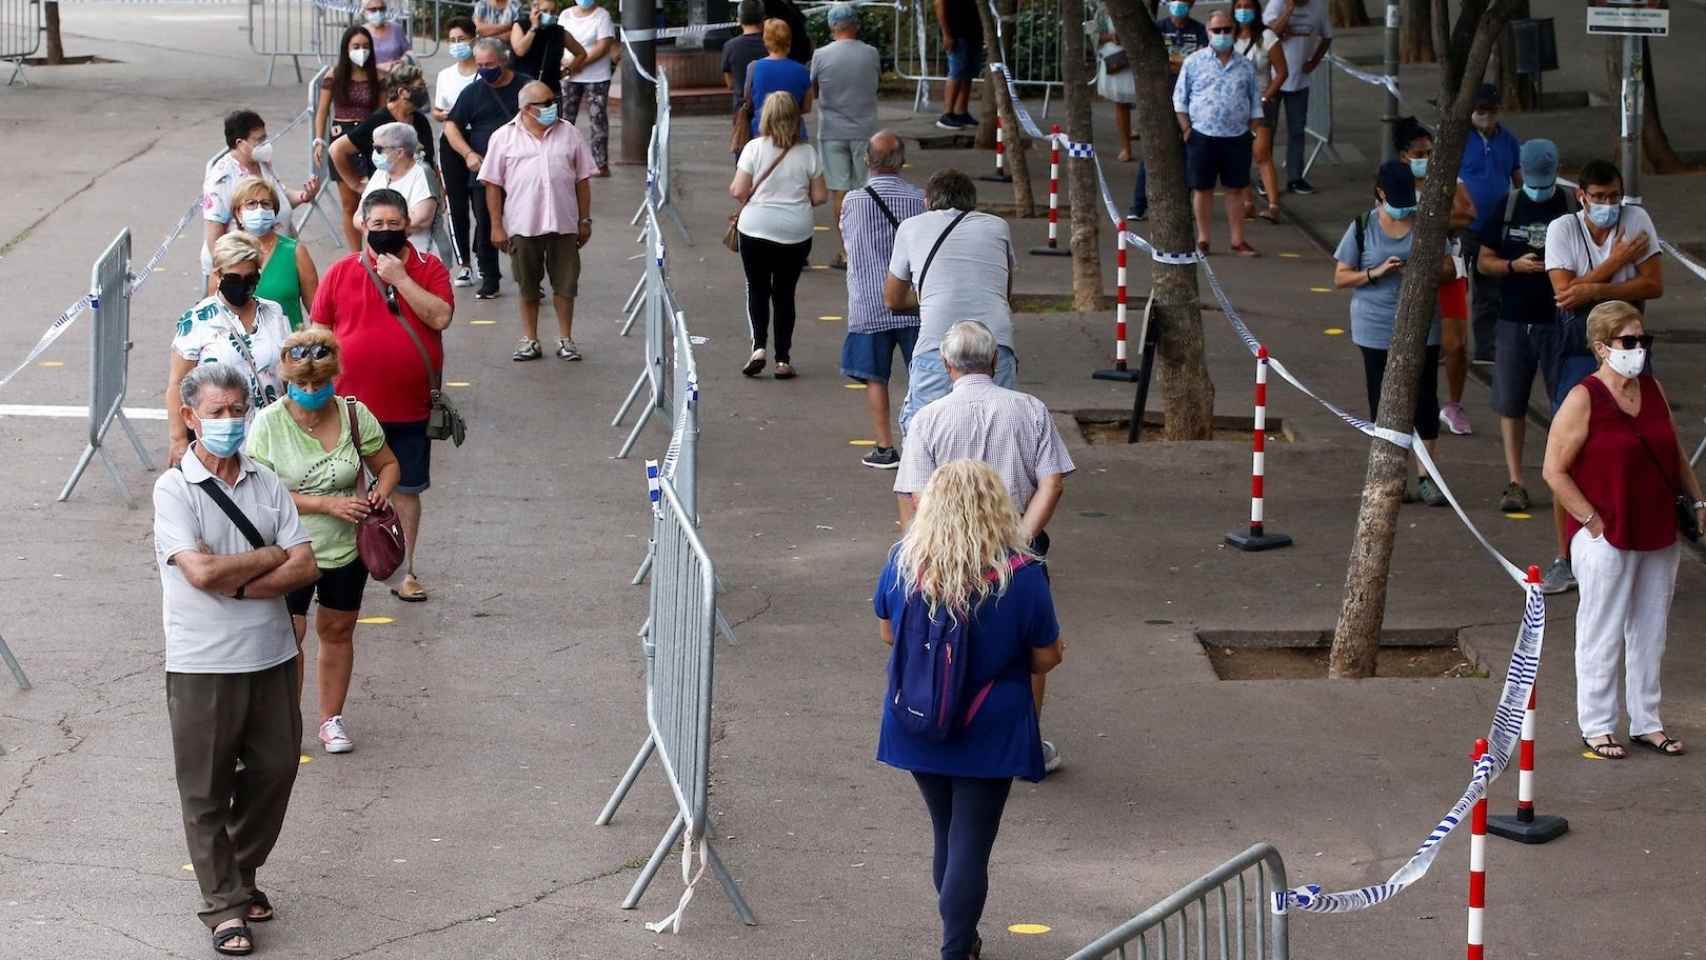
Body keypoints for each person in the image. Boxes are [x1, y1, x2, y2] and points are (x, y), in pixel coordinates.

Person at [152, 361, 319, 957]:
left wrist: (242, 580)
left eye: (236, 410)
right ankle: (225, 904)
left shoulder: (266, 482)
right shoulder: (175, 489)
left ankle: (239, 872)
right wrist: (269, 557)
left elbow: (306, 564)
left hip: (271, 654)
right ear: (191, 418)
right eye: (215, 412)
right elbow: (197, 573)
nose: (228, 422)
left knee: (276, 769)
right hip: (203, 662)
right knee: (205, 789)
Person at [873, 458, 1063, 960]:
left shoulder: (903, 563)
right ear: (997, 508)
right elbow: (1047, 656)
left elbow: (888, 633)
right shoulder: (1021, 576)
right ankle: (956, 947)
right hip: (990, 724)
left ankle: (962, 937)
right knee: (971, 842)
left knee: (946, 831)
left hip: (916, 717)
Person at [893, 320, 1075, 772]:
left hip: (945, 552)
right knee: (1028, 645)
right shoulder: (1030, 409)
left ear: (946, 364)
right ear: (995, 360)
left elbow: (914, 493)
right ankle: (1024, 741)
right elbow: (1052, 482)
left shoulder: (927, 419)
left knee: (945, 636)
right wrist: (1020, 541)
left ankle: (942, 716)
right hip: (1018, 551)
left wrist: (924, 546)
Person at [1542, 300, 1694, 759]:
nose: (1639, 349)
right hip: (1606, 532)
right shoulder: (1583, 397)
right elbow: (1554, 470)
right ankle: (1598, 724)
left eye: (1643, 340)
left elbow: (1674, 451)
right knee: (1601, 628)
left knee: (1651, 628)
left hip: (1658, 527)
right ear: (1602, 346)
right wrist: (1589, 520)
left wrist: (1698, 500)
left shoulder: (1652, 389)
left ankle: (1647, 720)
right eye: (1629, 341)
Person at [245, 328, 401, 755]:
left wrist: (380, 491)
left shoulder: (353, 414)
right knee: (287, 636)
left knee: (338, 629)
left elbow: (387, 464)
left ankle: (331, 719)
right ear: (286, 380)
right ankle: (284, 723)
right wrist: (326, 506)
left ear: (335, 377)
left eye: (320, 383)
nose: (310, 392)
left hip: (347, 549)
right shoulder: (269, 424)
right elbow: (261, 494)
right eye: (302, 384)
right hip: (290, 550)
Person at [311, 188, 454, 604]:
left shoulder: (429, 268)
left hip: (409, 407)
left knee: (405, 489)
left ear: (408, 225)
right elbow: (319, 331)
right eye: (378, 226)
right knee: (347, 487)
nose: (386, 232)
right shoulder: (340, 272)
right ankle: (344, 567)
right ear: (363, 226)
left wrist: (401, 279)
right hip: (350, 408)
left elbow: (440, 316)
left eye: (394, 225)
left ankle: (405, 570)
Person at [1538, 158, 1665, 594]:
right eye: (1599, 198)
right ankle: (1565, 554)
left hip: (1628, 342)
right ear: (1582, 196)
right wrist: (1618, 262)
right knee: (1568, 447)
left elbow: (1653, 285)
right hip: (1576, 345)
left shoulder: (1637, 219)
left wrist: (1596, 288)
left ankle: (1638, 534)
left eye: (1614, 197)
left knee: (1640, 436)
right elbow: (1565, 296)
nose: (1609, 206)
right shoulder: (1563, 230)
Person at [1332, 161, 1456, 505]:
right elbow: (1341, 277)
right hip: (1373, 326)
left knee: (1425, 398)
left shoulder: (1427, 224)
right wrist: (1376, 272)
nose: (1404, 207)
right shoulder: (1363, 226)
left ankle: (1426, 476)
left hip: (1421, 325)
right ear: (1380, 193)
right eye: (1396, 199)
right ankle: (1391, 475)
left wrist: (1426, 267)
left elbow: (1449, 268)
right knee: (1382, 399)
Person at [1476, 139, 1574, 515]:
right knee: (1510, 403)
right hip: (1514, 320)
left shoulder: (1569, 205)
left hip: (1559, 320)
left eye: (1545, 179)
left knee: (1564, 404)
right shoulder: (1509, 204)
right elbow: (1484, 260)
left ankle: (1562, 475)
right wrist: (1513, 267)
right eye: (1534, 179)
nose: (1539, 187)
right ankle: (1516, 480)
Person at [884, 169, 1017, 434]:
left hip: (937, 344)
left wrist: (930, 297)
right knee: (997, 435)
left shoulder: (911, 227)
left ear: (928, 201)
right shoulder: (997, 226)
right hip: (995, 344)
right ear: (973, 201)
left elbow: (893, 299)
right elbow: (1005, 291)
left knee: (926, 435)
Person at [481, 80, 598, 363]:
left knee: (566, 285)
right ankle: (530, 339)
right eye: (545, 104)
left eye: (552, 100)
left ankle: (565, 339)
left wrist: (585, 220)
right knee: (527, 286)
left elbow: (583, 179)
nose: (552, 107)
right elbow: (492, 184)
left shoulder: (568, 132)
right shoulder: (503, 137)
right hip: (523, 223)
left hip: (564, 222)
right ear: (526, 109)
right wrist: (497, 225)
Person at [169, 232, 293, 468]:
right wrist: (177, 440)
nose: (243, 285)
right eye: (234, 278)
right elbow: (176, 384)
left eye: (251, 278)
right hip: (221, 438)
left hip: (275, 436)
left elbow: (290, 374)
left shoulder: (274, 313)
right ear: (218, 274)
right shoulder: (196, 321)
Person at [841, 131, 925, 468]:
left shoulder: (853, 200)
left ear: (867, 160)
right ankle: (924, 443)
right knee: (921, 374)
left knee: (875, 378)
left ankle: (885, 446)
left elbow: (848, 243)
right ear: (901, 160)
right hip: (913, 302)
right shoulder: (920, 199)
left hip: (869, 302)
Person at [730, 91, 827, 379]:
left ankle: (758, 347)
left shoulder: (753, 148)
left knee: (757, 288)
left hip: (756, 228)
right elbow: (820, 196)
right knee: (785, 293)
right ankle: (782, 359)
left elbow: (738, 190)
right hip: (796, 231)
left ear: (766, 117)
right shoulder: (808, 153)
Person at [1394, 117, 1476, 437]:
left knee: (1456, 344)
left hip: (1449, 265)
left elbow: (1467, 213)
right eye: (1418, 154)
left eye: (1429, 152)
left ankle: (1454, 405)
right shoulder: (1395, 181)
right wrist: (1442, 218)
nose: (1425, 160)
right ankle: (1409, 401)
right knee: (1415, 340)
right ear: (1403, 155)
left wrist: (1425, 219)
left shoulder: (1446, 176)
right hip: (1409, 268)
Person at [444, 37, 532, 300]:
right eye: (480, 65)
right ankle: (490, 278)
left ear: (503, 60)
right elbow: (451, 126)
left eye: (490, 64)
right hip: (484, 168)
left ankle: (529, 279)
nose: (485, 70)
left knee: (525, 226)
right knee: (486, 224)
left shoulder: (526, 86)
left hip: (522, 167)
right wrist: (468, 153)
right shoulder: (472, 92)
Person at [1174, 11, 1264, 257]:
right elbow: (1179, 99)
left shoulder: (1245, 66)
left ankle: (1238, 240)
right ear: (1208, 31)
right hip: (1202, 135)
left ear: (1234, 31)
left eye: (1227, 30)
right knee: (1202, 189)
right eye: (1217, 30)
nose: (1222, 35)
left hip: (1237, 136)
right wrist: (1187, 129)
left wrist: (1252, 132)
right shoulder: (1194, 62)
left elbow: (1255, 101)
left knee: (1235, 188)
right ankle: (1203, 240)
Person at [203, 110, 317, 277]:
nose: (265, 144)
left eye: (265, 138)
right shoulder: (222, 178)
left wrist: (304, 196)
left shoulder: (261, 163)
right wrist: (226, 275)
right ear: (240, 143)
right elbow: (214, 234)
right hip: (246, 266)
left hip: (280, 255)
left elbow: (280, 198)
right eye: (259, 140)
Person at [811, 3, 881, 270]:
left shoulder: (820, 55)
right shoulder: (871, 53)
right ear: (856, 25)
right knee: (866, 190)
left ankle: (847, 251)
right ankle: (866, 248)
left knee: (840, 191)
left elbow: (814, 88)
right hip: (864, 129)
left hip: (831, 129)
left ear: (831, 27)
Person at [1458, 83, 1522, 366]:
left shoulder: (1508, 141)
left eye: (1490, 111)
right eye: (1479, 110)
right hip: (1462, 226)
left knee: (1490, 291)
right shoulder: (1459, 140)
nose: (1485, 115)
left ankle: (1486, 348)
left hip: (1495, 228)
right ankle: (1451, 345)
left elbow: (1518, 178)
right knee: (1456, 288)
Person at [1130, 0, 1208, 220]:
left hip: (1190, 102)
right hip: (1161, 98)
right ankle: (1138, 205)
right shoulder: (1159, 28)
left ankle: (1184, 203)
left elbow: (1199, 65)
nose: (1179, 4)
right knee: (1153, 151)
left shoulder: (1199, 31)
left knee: (1188, 153)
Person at [330, 60, 438, 211]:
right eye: (419, 87)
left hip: (417, 196)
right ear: (402, 92)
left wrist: (438, 189)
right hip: (386, 200)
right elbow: (337, 150)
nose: (424, 91)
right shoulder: (378, 121)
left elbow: (430, 161)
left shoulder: (420, 121)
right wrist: (355, 185)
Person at [315, 26, 383, 252]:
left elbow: (383, 113)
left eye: (365, 46)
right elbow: (322, 111)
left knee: (373, 199)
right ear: (346, 49)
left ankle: (375, 249)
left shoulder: (379, 77)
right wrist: (318, 141)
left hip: (368, 138)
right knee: (349, 203)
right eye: (356, 46)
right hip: (340, 142)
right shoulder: (334, 76)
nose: (361, 51)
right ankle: (356, 255)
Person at [228, 177, 319, 333]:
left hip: (289, 352)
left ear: (274, 211)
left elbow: (318, 313)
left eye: (265, 204)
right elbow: (216, 313)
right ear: (238, 213)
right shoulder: (227, 254)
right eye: (251, 204)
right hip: (242, 352)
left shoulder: (295, 252)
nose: (259, 209)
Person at [1261, 0, 1330, 195]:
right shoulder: (1277, 4)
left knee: (1297, 130)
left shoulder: (1319, 6)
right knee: (1268, 130)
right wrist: (1289, 9)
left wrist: (1315, 61)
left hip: (1300, 80)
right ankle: (1264, 178)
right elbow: (1270, 34)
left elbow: (1327, 36)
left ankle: (1295, 178)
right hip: (1272, 80)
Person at [433, 16, 482, 287]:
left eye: (461, 39)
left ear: (473, 39)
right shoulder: (445, 75)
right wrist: (445, 115)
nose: (457, 45)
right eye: (452, 40)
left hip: (479, 139)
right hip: (451, 141)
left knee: (482, 203)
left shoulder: (483, 71)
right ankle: (464, 263)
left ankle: (482, 256)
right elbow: (438, 109)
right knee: (456, 205)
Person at [1233, 0, 1286, 223]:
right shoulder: (1229, 37)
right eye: (1239, 6)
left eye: (1248, 6)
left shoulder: (1268, 37)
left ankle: (1273, 205)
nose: (1243, 11)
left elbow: (1282, 72)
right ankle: (1247, 203)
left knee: (1261, 152)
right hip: (1235, 104)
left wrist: (1266, 97)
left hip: (1262, 102)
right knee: (1239, 154)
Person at [360, 122, 439, 254]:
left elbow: (421, 219)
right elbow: (358, 216)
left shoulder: (422, 173)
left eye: (379, 149)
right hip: (380, 254)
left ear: (399, 152)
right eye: (373, 148)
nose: (374, 153)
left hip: (421, 255)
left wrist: (374, 222)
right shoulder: (380, 173)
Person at [561, 0, 618, 176]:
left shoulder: (603, 16)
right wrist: (567, 66)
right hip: (568, 75)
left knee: (597, 119)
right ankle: (562, 160)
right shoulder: (565, 15)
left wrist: (577, 64)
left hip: (596, 76)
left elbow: (603, 47)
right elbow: (559, 40)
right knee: (564, 120)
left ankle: (600, 164)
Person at [746, 19, 812, 140]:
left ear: (766, 40)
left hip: (762, 133)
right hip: (794, 133)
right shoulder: (802, 71)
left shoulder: (753, 68)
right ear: (789, 40)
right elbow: (807, 107)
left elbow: (749, 100)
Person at [511, 0, 585, 94]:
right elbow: (520, 51)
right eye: (545, 11)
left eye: (553, 12)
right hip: (522, 88)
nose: (549, 15)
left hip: (550, 89)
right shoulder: (521, 26)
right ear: (535, 10)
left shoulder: (559, 32)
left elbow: (581, 53)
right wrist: (534, 27)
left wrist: (566, 71)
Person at [1094, 11, 1137, 161]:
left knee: (1149, 102)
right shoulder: (1102, 10)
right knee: (1121, 103)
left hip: (1140, 55)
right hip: (1117, 60)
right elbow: (1095, 34)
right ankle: (1126, 147)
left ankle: (1140, 132)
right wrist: (1111, 36)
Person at [933, 0, 982, 129]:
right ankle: (947, 114)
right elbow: (939, 4)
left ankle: (961, 111)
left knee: (968, 72)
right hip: (956, 31)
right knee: (957, 71)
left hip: (973, 30)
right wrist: (946, 33)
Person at [721, 0, 769, 113]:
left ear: (739, 20)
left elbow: (730, 84)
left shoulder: (730, 46)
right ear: (764, 18)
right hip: (769, 109)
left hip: (742, 110)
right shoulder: (772, 44)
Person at [361, 0, 412, 71]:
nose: (378, 13)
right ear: (364, 12)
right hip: (372, 78)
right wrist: (379, 66)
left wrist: (403, 61)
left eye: (381, 9)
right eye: (373, 9)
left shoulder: (396, 28)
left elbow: (408, 51)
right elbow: (358, 62)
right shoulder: (361, 32)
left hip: (397, 76)